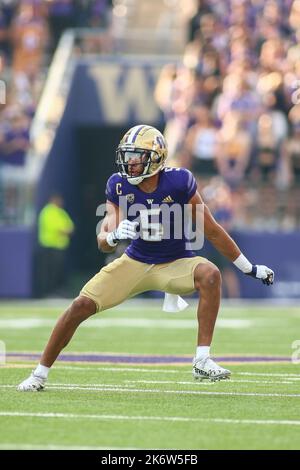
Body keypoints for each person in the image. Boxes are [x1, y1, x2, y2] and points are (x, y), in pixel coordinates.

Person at [17, 125, 274, 391]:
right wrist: (115, 235)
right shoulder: (118, 184)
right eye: (127, 156)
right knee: (80, 306)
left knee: (210, 274)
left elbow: (212, 230)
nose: (130, 163)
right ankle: (39, 374)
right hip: (135, 261)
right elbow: (103, 240)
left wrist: (248, 267)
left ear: (156, 157)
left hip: (175, 262)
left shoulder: (179, 182)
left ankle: (202, 359)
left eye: (136, 156)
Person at [35, 194, 74, 297]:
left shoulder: (60, 211)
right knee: (50, 271)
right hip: (49, 246)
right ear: (53, 200)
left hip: (60, 247)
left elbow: (70, 225)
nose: (61, 202)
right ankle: (48, 292)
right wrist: (65, 230)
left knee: (58, 271)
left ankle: (57, 291)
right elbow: (58, 228)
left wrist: (67, 230)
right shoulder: (47, 211)